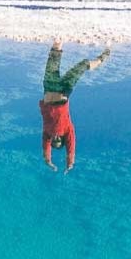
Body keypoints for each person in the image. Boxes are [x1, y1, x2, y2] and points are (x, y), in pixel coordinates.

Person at [39, 39, 110, 172]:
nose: (56, 138)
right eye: (58, 140)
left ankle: (60, 36)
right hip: (64, 91)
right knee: (82, 66)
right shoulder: (68, 130)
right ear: (62, 139)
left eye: (53, 141)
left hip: (49, 87)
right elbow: (71, 147)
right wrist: (70, 163)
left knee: (54, 56)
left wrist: (48, 161)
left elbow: (45, 147)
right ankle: (104, 56)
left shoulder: (46, 133)